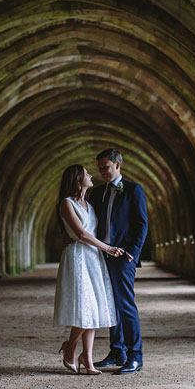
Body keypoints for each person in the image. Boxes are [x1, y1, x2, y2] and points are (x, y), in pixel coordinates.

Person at [54, 164, 124, 375]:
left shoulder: (89, 204)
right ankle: (71, 348)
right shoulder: (66, 204)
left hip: (93, 259)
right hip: (78, 258)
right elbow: (82, 234)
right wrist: (108, 249)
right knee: (86, 308)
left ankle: (88, 359)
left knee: (93, 309)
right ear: (77, 180)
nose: (91, 175)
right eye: (86, 174)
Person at [88, 148, 148, 374]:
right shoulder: (98, 193)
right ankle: (117, 351)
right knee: (110, 304)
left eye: (106, 167)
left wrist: (132, 253)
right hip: (101, 255)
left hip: (123, 256)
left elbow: (142, 224)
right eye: (100, 168)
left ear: (118, 165)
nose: (102, 172)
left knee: (125, 304)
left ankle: (135, 356)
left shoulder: (134, 190)